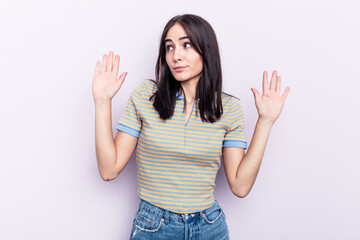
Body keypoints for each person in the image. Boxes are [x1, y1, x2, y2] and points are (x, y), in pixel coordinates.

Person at [92, 14, 289, 240]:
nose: (176, 56)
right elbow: (109, 170)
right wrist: (102, 102)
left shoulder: (228, 108)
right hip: (154, 228)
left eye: (186, 45)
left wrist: (265, 122)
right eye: (169, 47)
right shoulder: (145, 96)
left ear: (206, 50)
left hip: (209, 226)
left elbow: (240, 186)